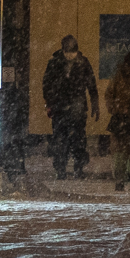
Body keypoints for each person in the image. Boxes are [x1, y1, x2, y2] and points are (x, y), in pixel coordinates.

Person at [42, 36, 100, 180]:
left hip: (77, 107)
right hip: (60, 107)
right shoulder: (55, 63)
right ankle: (61, 168)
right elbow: (47, 85)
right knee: (61, 140)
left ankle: (78, 168)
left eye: (72, 51)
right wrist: (50, 102)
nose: (69, 54)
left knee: (78, 139)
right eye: (67, 51)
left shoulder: (83, 63)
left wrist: (95, 103)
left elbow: (91, 84)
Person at [106, 48, 130, 191]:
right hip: (122, 118)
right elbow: (109, 94)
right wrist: (117, 108)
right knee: (121, 153)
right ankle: (121, 180)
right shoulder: (120, 75)